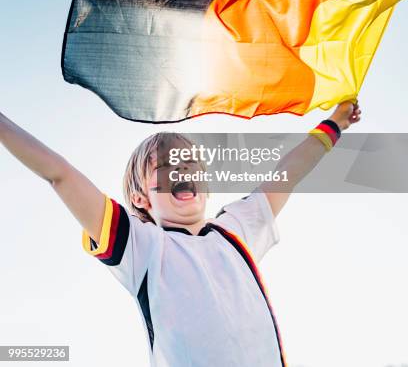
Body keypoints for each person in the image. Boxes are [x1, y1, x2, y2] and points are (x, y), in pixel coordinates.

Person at [0, 100, 361, 366]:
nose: (181, 169)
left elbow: (288, 172)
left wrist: (333, 125)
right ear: (141, 198)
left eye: (189, 163)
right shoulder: (141, 247)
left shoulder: (235, 230)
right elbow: (59, 174)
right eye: (165, 165)